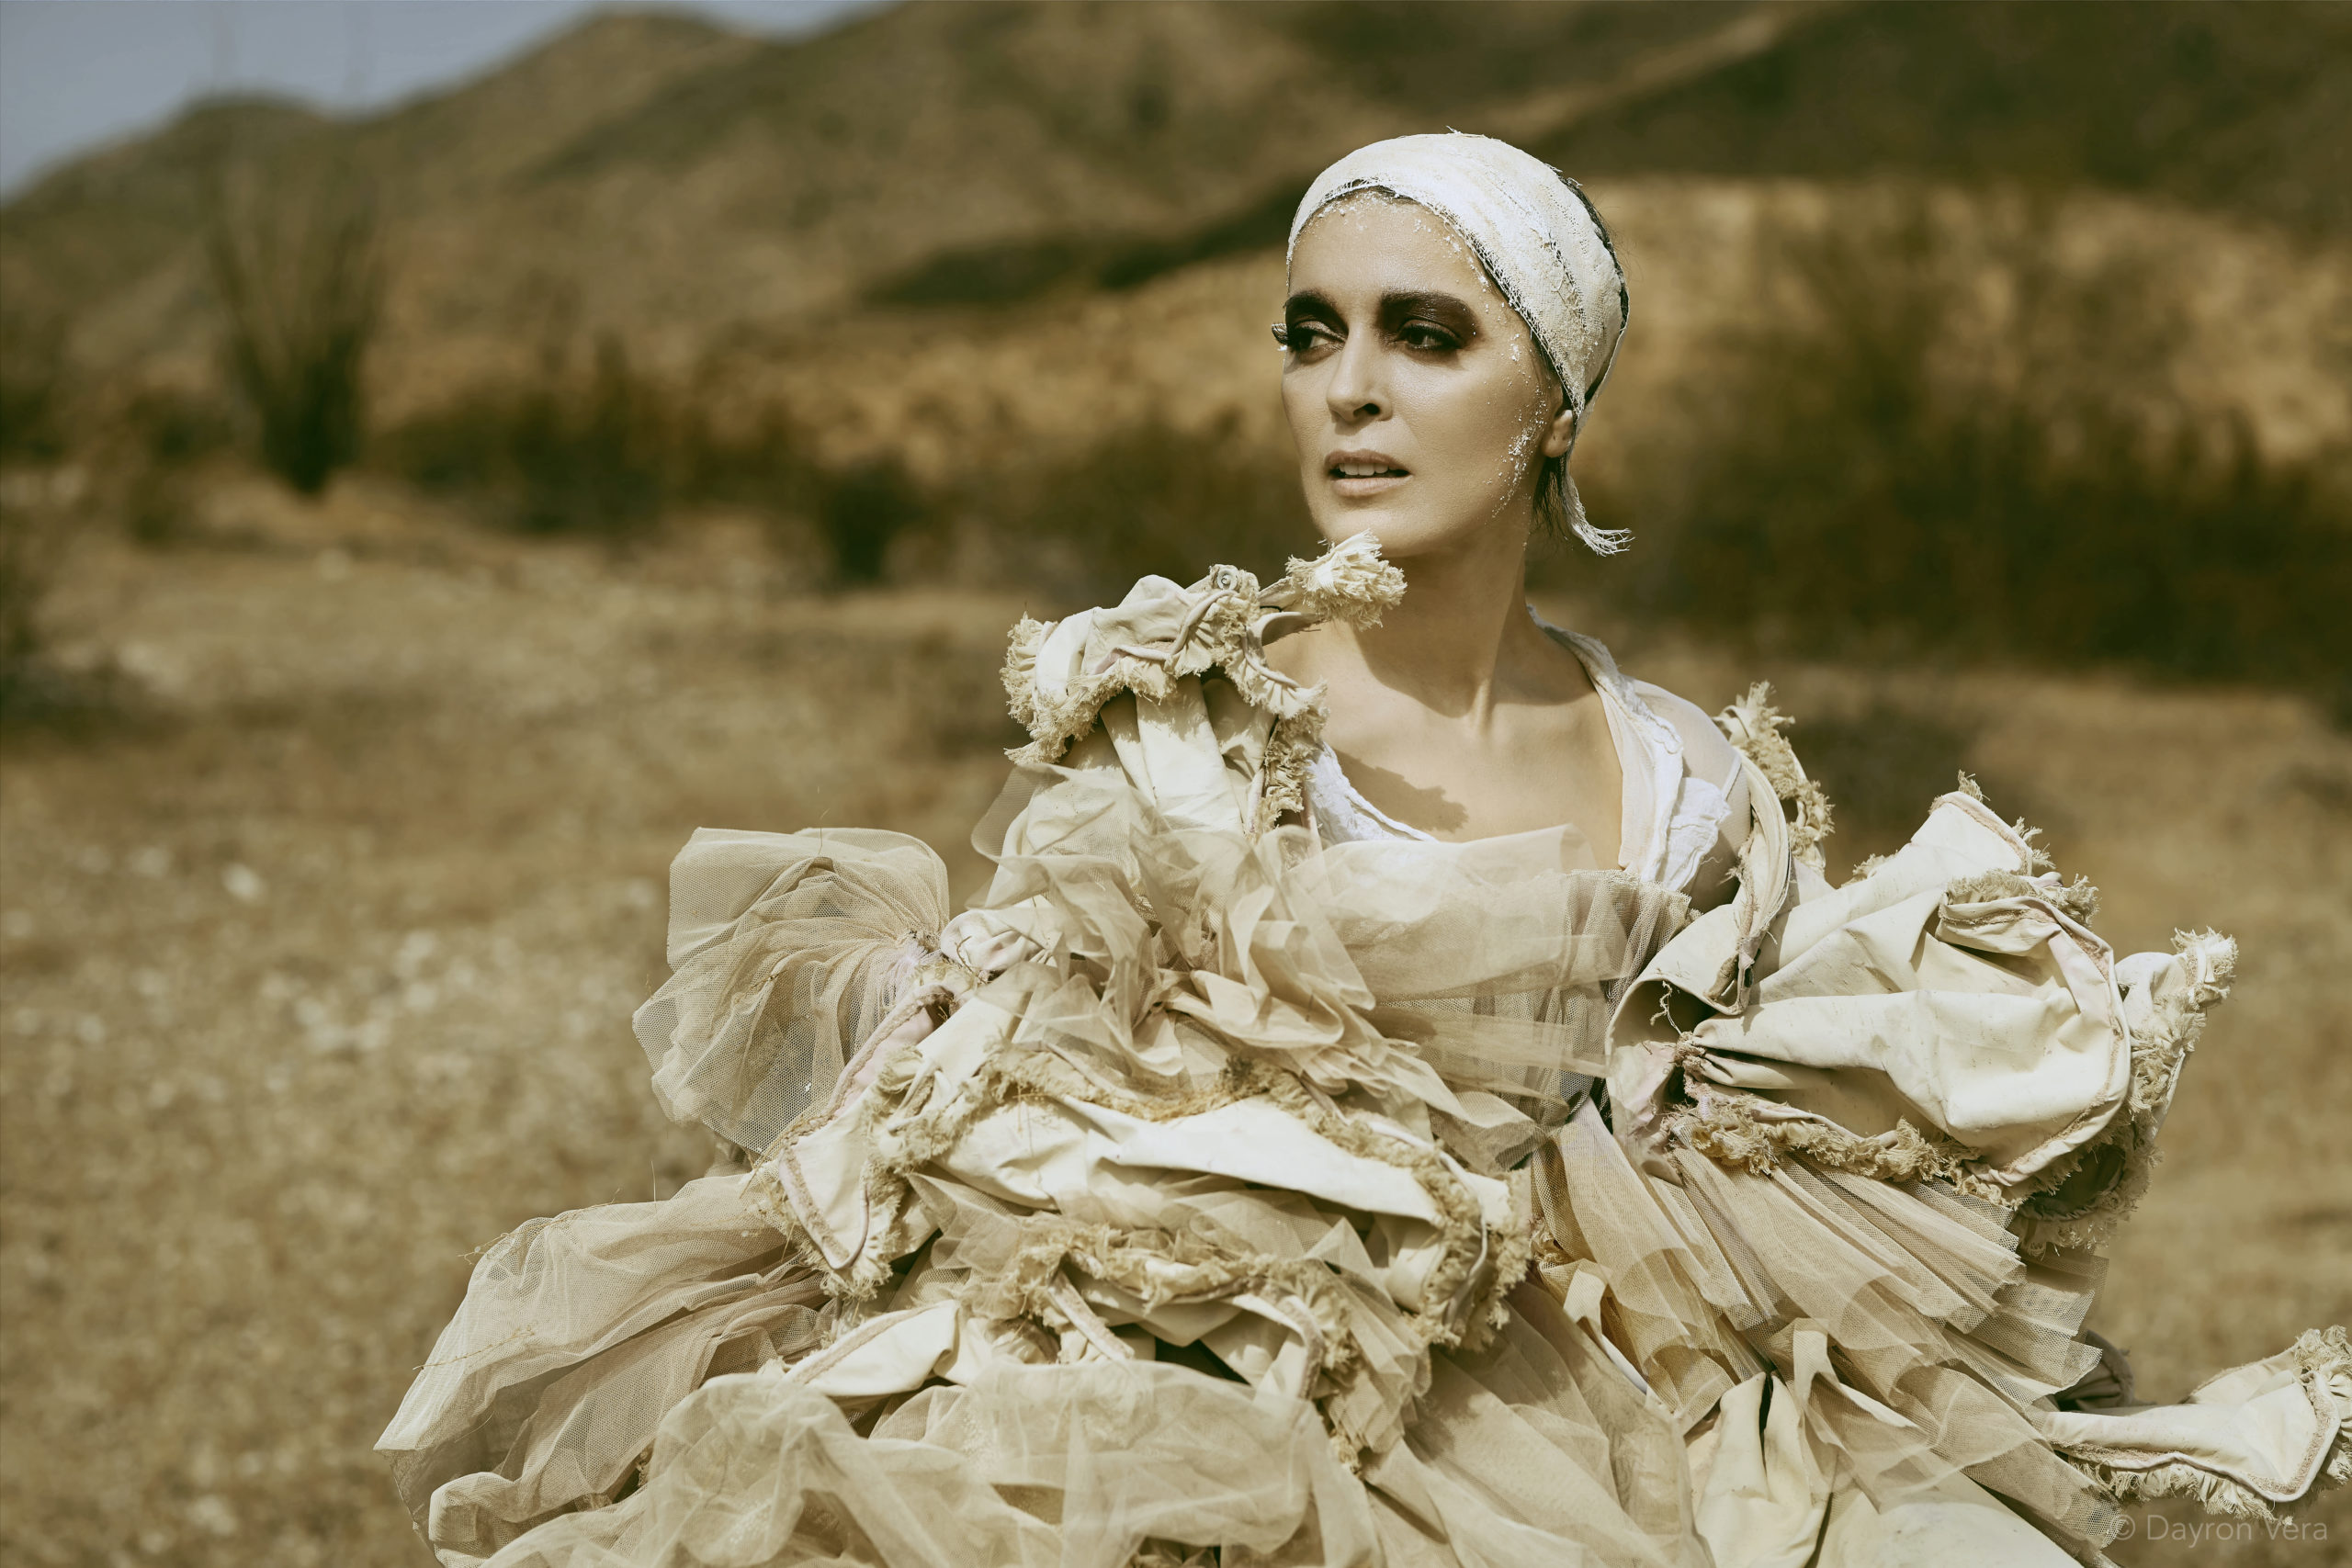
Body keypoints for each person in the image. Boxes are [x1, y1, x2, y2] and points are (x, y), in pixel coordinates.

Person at [379, 133, 2347, 1568]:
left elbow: (1776, 1125)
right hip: (1219, 1371)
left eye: (1422, 334)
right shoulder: (1191, 721)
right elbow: (1045, 1109)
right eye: (1310, 331)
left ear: (1552, 405)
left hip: (1597, 1388)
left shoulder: (1680, 770)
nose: (1347, 387)